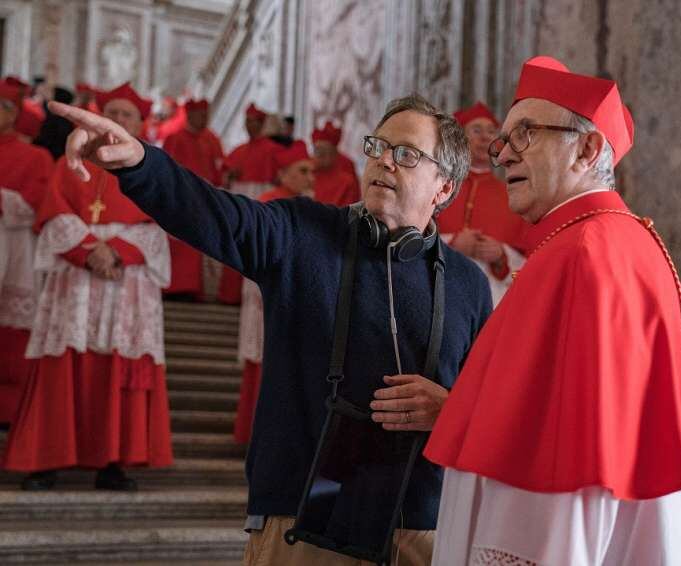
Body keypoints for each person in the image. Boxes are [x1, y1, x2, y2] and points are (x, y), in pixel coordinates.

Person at [50, 92, 491, 565]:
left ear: (443, 188)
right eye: (377, 147)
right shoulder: (300, 233)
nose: (384, 161)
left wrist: (452, 409)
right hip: (302, 521)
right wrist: (139, 162)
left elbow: (492, 403)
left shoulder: (468, 284)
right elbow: (215, 214)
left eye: (405, 154)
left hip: (422, 526)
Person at [425, 56, 681, 565]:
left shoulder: (583, 252)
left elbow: (565, 464)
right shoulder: (612, 239)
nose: (503, 155)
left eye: (525, 133)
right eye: (504, 140)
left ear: (588, 149)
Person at [3, 82, 173, 491]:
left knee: (120, 368)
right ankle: (46, 461)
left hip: (125, 281)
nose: (118, 119)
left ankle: (111, 462)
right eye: (111, 110)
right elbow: (54, 210)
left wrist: (115, 251)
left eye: (127, 114)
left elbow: (163, 222)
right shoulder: (71, 161)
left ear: (140, 122)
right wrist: (87, 250)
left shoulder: (155, 165)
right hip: (75, 278)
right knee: (63, 364)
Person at [233, 140, 314, 444]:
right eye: (303, 170)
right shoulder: (269, 202)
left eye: (312, 171)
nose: (310, 177)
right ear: (283, 173)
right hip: (269, 300)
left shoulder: (309, 207)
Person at [0, 82, 54, 427]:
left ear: (15, 112)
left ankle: (9, 415)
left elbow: (38, 204)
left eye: (3, 105)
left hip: (15, 249)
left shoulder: (36, 156)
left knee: (12, 342)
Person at [437, 101, 528, 304]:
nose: (485, 136)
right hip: (437, 293)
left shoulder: (512, 194)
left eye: (491, 131)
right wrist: (451, 244)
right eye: (476, 130)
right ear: (461, 138)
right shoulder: (439, 186)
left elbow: (529, 266)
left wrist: (502, 255)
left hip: (490, 302)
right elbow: (412, 238)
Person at [218, 103, 287, 304]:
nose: (250, 126)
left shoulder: (274, 149)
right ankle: (230, 295)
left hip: (263, 199)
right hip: (239, 198)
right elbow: (225, 175)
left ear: (262, 124)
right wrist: (230, 175)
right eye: (247, 122)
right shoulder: (239, 150)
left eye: (254, 122)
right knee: (235, 243)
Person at [162, 98, 225, 300]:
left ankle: (196, 288)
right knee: (180, 243)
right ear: (189, 115)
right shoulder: (175, 138)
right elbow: (167, 169)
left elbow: (218, 169)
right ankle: (175, 288)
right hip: (180, 197)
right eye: (200, 115)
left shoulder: (212, 139)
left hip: (206, 197)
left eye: (206, 115)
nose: (204, 119)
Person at [311, 122, 360, 206]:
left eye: (324, 151)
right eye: (317, 150)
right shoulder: (307, 173)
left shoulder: (347, 181)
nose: (319, 155)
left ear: (334, 152)